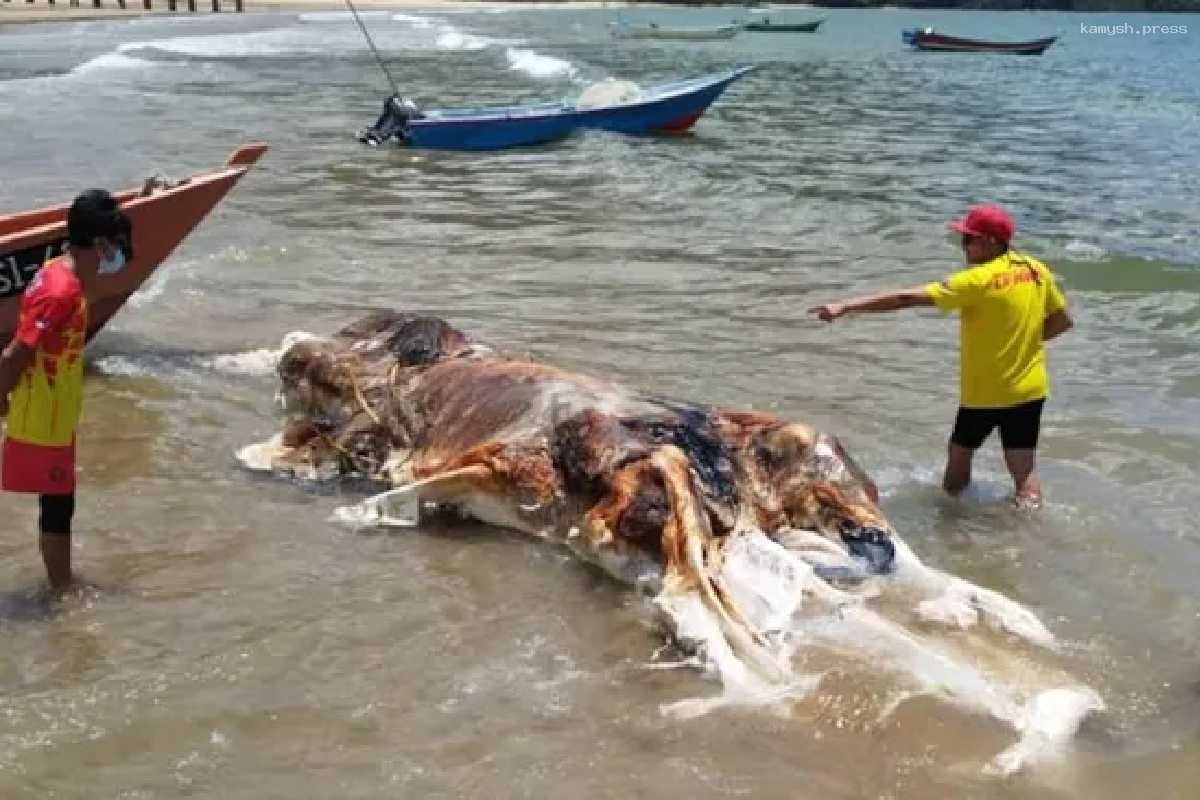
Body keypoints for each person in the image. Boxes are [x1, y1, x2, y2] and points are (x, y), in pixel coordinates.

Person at [807, 204, 1073, 508]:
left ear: (992, 242)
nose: (963, 246)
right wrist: (1020, 344)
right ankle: (1029, 530)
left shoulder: (977, 281)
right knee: (1023, 469)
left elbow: (906, 298)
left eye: (969, 239)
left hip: (986, 392)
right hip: (1030, 389)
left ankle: (951, 523)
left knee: (958, 459)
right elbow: (1062, 321)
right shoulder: (1035, 270)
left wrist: (848, 305)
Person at [0, 189, 132, 594]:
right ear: (100, 243)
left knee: (60, 500)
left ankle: (62, 583)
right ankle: (62, 591)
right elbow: (17, 351)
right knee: (58, 504)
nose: (121, 252)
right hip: (42, 414)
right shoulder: (62, 291)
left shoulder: (62, 273)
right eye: (117, 242)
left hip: (56, 411)